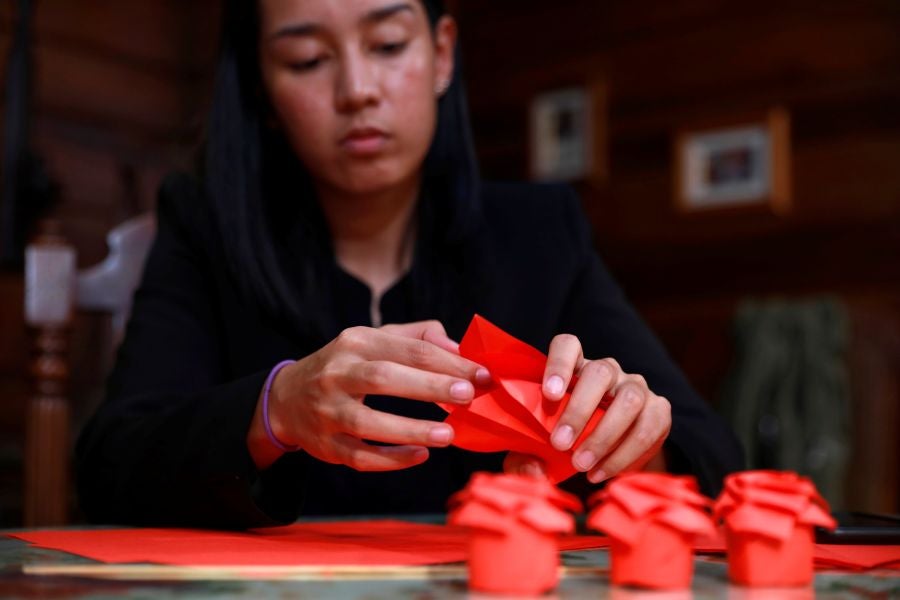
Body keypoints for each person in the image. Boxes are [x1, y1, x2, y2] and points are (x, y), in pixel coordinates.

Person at [75, 0, 743, 528]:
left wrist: (629, 444)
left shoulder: (539, 232)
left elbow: (710, 452)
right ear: (261, 88)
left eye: (389, 45)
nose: (358, 89)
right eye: (307, 59)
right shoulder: (205, 229)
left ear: (442, 52)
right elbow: (110, 465)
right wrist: (277, 408)